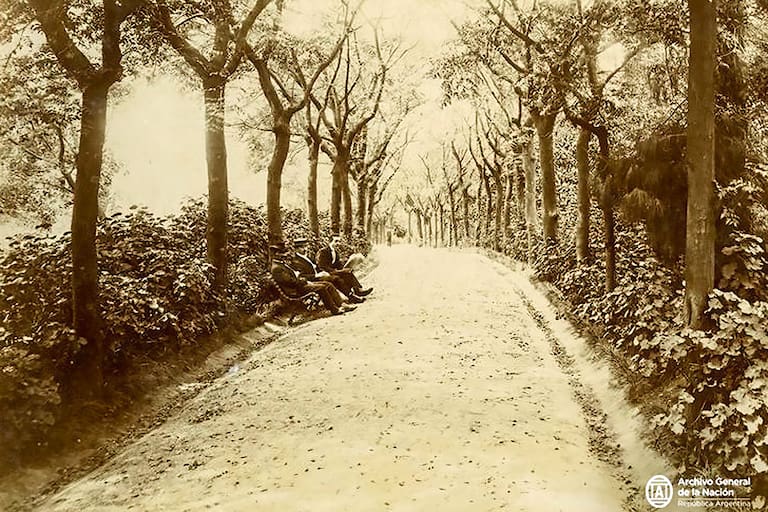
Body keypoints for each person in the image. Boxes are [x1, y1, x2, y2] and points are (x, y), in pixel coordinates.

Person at [269, 243, 355, 316]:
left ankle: (341, 304)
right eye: (282, 253)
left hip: (299, 285)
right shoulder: (277, 268)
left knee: (328, 284)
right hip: (295, 290)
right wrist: (304, 281)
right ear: (276, 254)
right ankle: (334, 309)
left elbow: (291, 279)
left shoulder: (281, 264)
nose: (284, 255)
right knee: (321, 287)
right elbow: (291, 282)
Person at [290, 238, 365, 303]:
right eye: (302, 247)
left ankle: (355, 292)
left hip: (321, 274)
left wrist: (323, 272)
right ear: (296, 249)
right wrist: (318, 275)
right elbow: (301, 276)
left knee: (345, 274)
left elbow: (317, 266)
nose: (305, 249)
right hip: (312, 280)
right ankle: (350, 297)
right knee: (336, 279)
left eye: (306, 246)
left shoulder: (307, 256)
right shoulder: (296, 261)